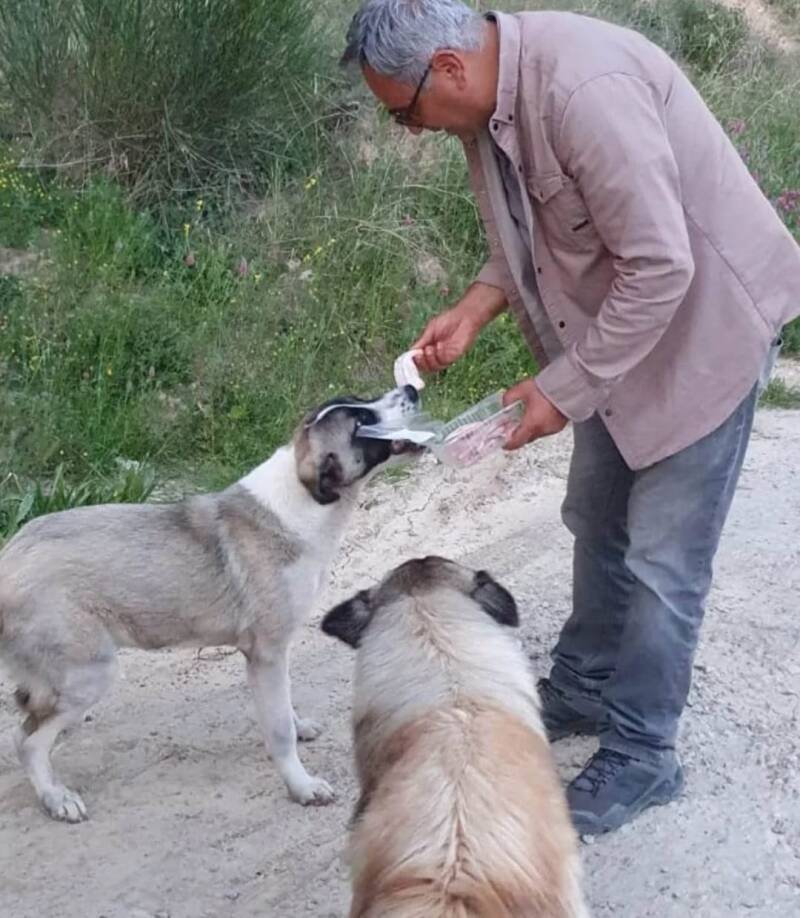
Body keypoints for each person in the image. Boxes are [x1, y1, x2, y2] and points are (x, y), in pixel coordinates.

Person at [341, 0, 800, 835]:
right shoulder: (491, 104)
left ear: (446, 68)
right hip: (622, 332)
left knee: (664, 561)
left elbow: (661, 264)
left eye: (402, 112)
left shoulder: (584, 88)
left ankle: (642, 750)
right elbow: (540, 228)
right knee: (595, 514)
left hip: (705, 329)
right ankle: (584, 688)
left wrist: (563, 387)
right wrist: (479, 307)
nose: (407, 131)